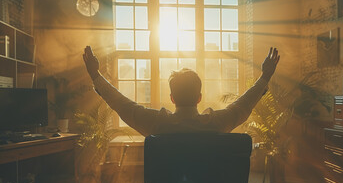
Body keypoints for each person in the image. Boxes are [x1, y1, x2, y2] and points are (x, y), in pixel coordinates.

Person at [83, 46, 280, 136]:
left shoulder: (155, 124)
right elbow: (242, 106)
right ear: (199, 97)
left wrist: (95, 75)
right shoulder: (217, 124)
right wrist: (265, 77)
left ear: (172, 98)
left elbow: (123, 105)